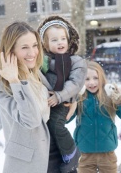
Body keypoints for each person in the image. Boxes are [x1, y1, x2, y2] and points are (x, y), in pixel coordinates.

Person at [0, 21, 74, 173]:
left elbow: (50, 105)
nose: (32, 53)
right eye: (24, 47)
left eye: (35, 45)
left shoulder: (35, 73)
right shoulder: (3, 85)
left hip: (53, 152)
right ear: (10, 51)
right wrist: (15, 82)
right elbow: (32, 120)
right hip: (30, 162)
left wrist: (72, 102)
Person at [38, 15, 87, 173]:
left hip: (62, 102)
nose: (60, 42)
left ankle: (71, 153)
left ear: (69, 40)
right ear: (45, 44)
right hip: (45, 102)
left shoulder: (75, 61)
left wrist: (59, 96)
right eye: (54, 40)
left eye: (63, 38)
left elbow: (75, 83)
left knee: (56, 125)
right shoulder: (42, 61)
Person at [68, 60, 121, 173]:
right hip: (84, 155)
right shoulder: (79, 98)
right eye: (87, 79)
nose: (91, 83)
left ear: (102, 78)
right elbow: (66, 119)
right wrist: (72, 100)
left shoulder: (110, 96)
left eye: (95, 78)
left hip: (107, 155)